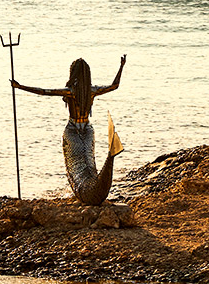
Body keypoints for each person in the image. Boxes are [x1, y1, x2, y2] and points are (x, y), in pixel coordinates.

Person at [12, 55, 126, 206]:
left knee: (82, 162)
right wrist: (121, 66)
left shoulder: (70, 91)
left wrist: (21, 87)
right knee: (87, 160)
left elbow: (45, 91)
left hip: (73, 130)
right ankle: (88, 186)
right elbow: (114, 85)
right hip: (87, 129)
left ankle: (87, 188)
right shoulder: (92, 91)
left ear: (73, 74)